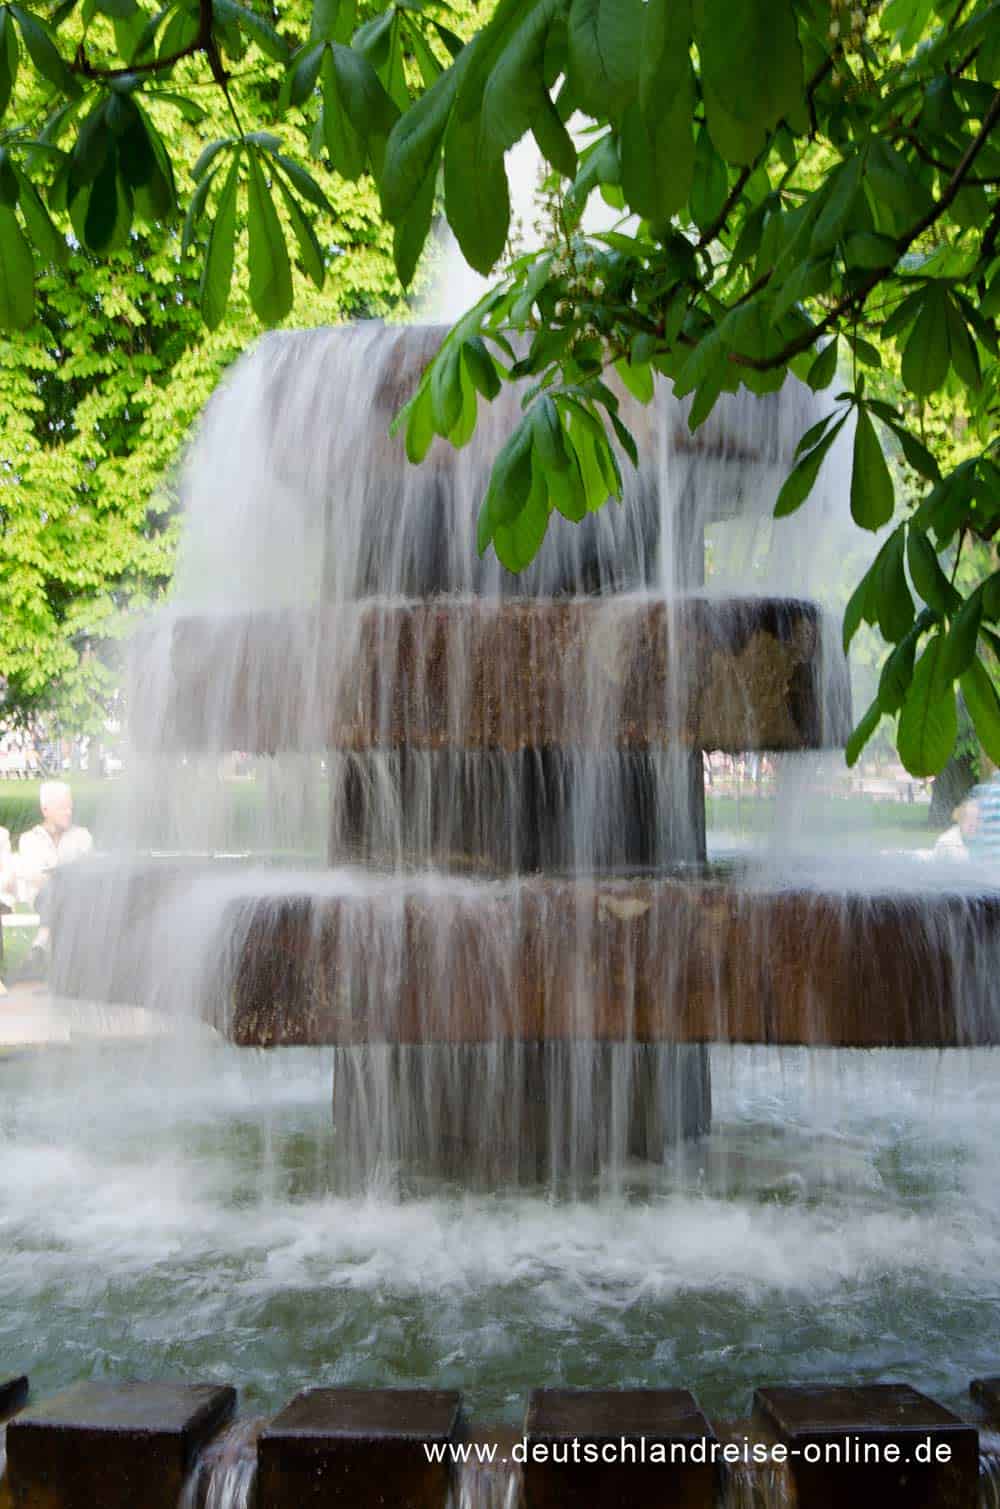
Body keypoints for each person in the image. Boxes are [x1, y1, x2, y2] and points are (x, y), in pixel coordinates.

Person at [16, 781, 93, 971]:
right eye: (62, 808)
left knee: (63, 887)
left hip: (78, 898)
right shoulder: (30, 840)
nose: (68, 812)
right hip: (43, 897)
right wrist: (64, 876)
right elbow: (35, 877)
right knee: (54, 887)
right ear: (45, 810)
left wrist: (59, 876)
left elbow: (90, 873)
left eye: (70, 807)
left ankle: (41, 942)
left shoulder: (82, 837)